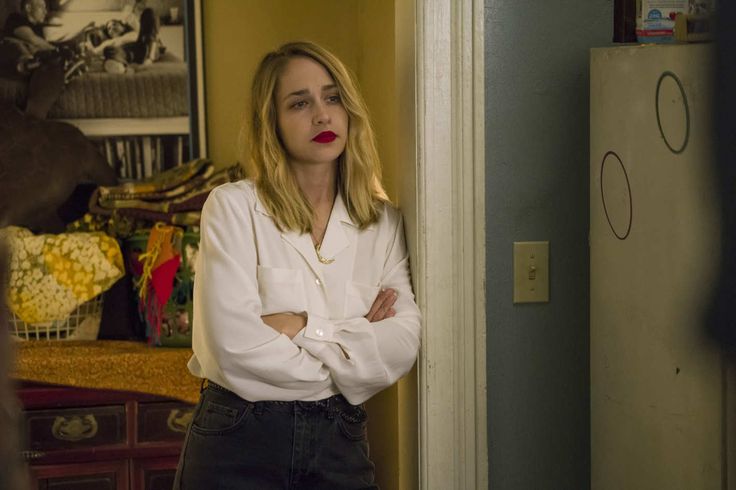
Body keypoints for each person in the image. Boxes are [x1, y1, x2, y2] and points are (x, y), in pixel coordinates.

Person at [173, 41, 421, 489]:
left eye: (333, 98)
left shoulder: (383, 222)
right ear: (272, 123)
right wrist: (352, 348)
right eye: (300, 103)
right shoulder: (232, 209)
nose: (322, 116)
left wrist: (300, 325)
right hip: (236, 438)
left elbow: (402, 342)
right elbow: (232, 347)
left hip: (340, 441)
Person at [0, 0, 83, 118]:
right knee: (19, 46)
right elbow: (32, 39)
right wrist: (57, 51)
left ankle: (34, 115)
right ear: (28, 8)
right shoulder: (16, 18)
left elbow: (43, 44)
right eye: (41, 7)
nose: (45, 11)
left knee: (51, 64)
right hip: (10, 56)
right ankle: (31, 63)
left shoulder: (39, 29)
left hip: (31, 63)